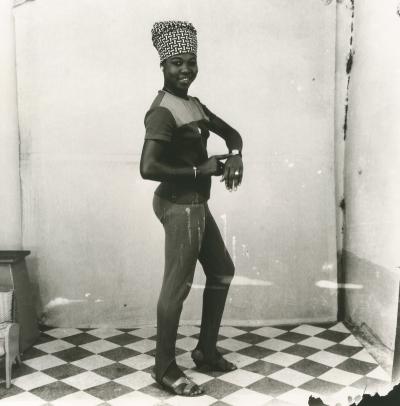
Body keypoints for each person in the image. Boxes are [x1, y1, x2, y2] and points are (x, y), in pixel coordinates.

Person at [140, 20, 244, 397]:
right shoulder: (163, 111)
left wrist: (235, 156)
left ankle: (205, 350)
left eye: (191, 61)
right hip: (179, 206)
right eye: (176, 63)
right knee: (178, 286)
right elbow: (148, 167)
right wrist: (202, 169)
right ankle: (164, 369)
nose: (185, 69)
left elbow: (232, 134)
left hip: (196, 205)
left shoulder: (194, 105)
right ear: (163, 66)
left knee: (221, 270)